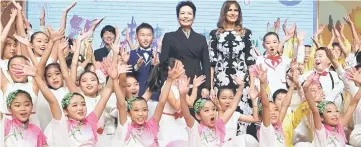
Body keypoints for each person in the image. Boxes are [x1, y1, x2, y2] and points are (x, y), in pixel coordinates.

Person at [208, 0, 257, 137]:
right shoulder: (214, 34)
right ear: (224, 12)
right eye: (230, 10)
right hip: (220, 81)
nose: (233, 13)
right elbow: (212, 63)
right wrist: (211, 87)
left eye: (236, 10)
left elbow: (250, 62)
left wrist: (252, 85)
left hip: (241, 81)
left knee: (242, 114)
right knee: (221, 113)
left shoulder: (246, 33)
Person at [160, 1, 210, 98]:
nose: (186, 16)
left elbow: (206, 64)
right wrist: (167, 84)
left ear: (194, 17)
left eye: (189, 13)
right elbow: (163, 63)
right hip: (176, 84)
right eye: (182, 13)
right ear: (178, 17)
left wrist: (206, 86)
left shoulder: (201, 38)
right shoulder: (169, 37)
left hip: (196, 83)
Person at [128, 23, 159, 100]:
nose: (145, 38)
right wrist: (136, 67)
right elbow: (127, 76)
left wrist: (156, 67)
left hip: (155, 96)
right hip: (137, 96)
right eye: (142, 35)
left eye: (148, 35)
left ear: (153, 37)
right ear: (136, 37)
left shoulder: (158, 55)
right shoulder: (131, 54)